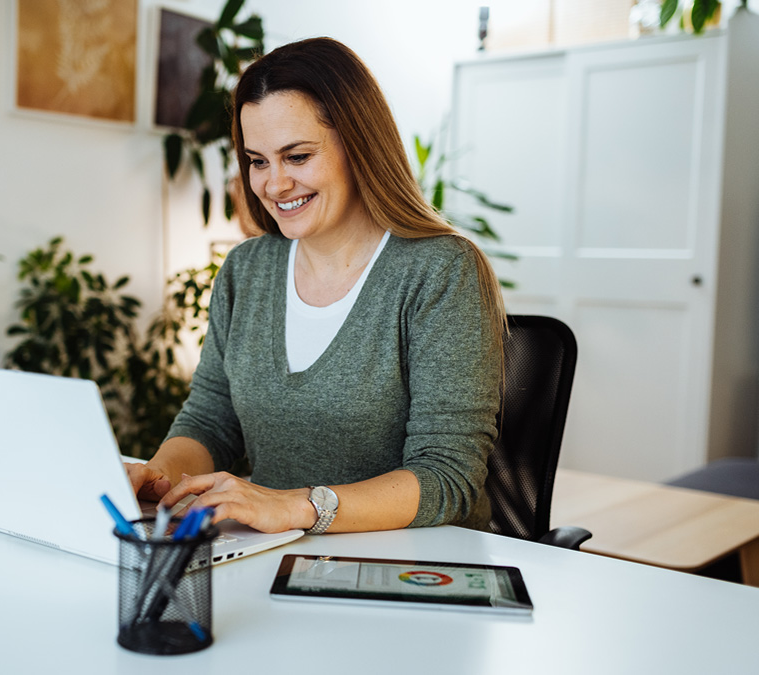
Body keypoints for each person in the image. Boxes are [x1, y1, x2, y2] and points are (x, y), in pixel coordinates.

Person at [126, 37, 506, 535]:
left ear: (358, 144)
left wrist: (296, 506)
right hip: (270, 552)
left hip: (411, 563)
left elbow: (446, 477)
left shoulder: (439, 270)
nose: (274, 184)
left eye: (297, 156)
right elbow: (210, 422)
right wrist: (157, 477)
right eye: (258, 161)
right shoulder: (247, 270)